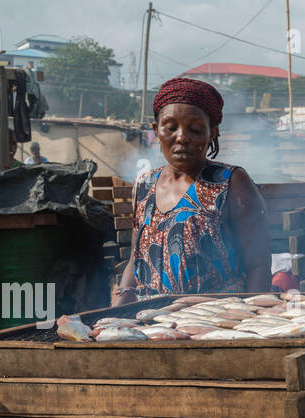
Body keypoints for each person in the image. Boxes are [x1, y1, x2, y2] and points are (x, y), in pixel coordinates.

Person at [112, 77, 271, 304]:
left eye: (195, 129)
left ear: (212, 132)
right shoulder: (144, 184)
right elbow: (135, 261)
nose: (182, 137)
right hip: (151, 321)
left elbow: (259, 265)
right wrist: (117, 312)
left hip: (215, 322)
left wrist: (251, 324)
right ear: (156, 130)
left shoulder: (231, 182)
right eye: (171, 127)